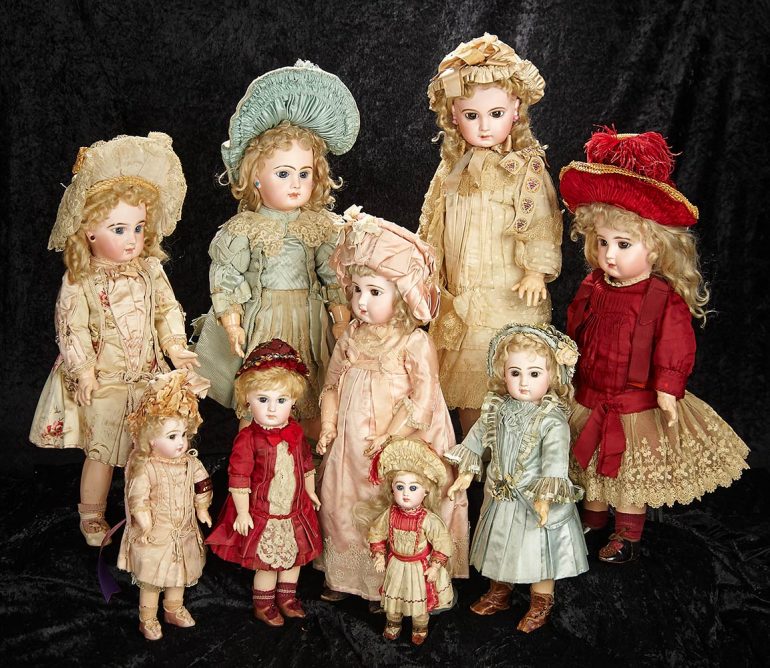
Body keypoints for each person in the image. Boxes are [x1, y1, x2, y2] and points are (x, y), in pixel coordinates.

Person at [561, 127, 749, 563]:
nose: (609, 254)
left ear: (656, 247)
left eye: (623, 244)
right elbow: (577, 331)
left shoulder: (661, 297)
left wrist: (667, 387)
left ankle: (627, 532)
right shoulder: (593, 286)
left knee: (629, 469)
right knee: (590, 460)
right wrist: (566, 366)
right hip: (591, 393)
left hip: (637, 403)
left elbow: (675, 346)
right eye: (602, 242)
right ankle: (593, 517)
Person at [30, 132, 197, 547]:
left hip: (149, 379)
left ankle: (146, 508)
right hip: (106, 379)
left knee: (148, 448)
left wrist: (176, 347)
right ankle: (92, 513)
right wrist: (84, 370)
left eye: (138, 228)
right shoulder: (81, 278)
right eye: (118, 228)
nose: (131, 239)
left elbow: (166, 310)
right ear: (89, 232)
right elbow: (71, 327)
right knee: (102, 451)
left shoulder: (150, 270)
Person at [194, 61, 359, 437]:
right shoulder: (246, 227)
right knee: (262, 388)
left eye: (304, 173)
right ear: (255, 177)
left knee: (313, 388)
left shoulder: (319, 225)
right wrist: (231, 320)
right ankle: (252, 457)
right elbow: (227, 274)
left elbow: (331, 273)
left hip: (310, 317)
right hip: (264, 317)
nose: (296, 184)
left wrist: (340, 315)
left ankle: (312, 460)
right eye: (283, 173)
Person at [314, 206, 469, 610]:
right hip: (352, 439)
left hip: (400, 437)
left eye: (375, 292)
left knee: (392, 499)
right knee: (344, 496)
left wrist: (390, 436)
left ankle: (396, 582)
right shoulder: (351, 335)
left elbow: (423, 398)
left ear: (400, 297)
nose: (361, 302)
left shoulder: (413, 341)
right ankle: (350, 575)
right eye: (356, 290)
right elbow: (331, 384)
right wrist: (328, 425)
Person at [418, 33, 563, 436]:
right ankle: (473, 456)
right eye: (472, 115)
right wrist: (427, 267)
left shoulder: (524, 168)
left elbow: (542, 221)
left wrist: (536, 270)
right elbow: (433, 221)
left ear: (515, 110)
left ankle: (512, 456)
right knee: (466, 383)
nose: (484, 126)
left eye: (496, 114)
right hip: (463, 291)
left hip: (509, 293)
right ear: (453, 115)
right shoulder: (450, 170)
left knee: (510, 376)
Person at [447, 323, 587, 632]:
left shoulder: (552, 420)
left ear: (552, 376)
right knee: (500, 543)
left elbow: (555, 461)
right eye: (515, 373)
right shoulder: (498, 408)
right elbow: (477, 437)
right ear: (502, 373)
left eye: (534, 374)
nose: (524, 382)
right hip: (502, 495)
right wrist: (466, 473)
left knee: (540, 550)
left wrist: (546, 498)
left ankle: (541, 600)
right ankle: (500, 590)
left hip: (535, 498)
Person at [206, 339, 322, 627]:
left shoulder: (295, 431)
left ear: (293, 401)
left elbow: (306, 463)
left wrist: (310, 492)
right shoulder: (248, 438)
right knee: (268, 563)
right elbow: (239, 477)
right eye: (263, 400)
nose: (272, 409)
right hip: (264, 512)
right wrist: (242, 512)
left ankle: (287, 598)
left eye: (281, 401)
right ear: (247, 399)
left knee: (294, 559)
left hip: (294, 509)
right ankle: (264, 603)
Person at [117, 370, 212, 640]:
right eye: (171, 437)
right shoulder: (146, 467)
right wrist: (144, 521)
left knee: (179, 572)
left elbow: (203, 484)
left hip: (183, 531)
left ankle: (173, 608)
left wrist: (202, 508)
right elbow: (138, 497)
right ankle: (147, 617)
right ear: (150, 439)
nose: (181, 443)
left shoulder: (191, 463)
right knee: (152, 577)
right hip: (156, 534)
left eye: (183, 434)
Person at [356, 437, 454, 645]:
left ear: (426, 491)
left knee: (419, 599)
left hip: (419, 567)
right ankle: (393, 623)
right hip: (396, 565)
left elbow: (442, 542)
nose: (405, 494)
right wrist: (379, 555)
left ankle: (420, 626)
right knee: (394, 599)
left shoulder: (428, 519)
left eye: (413, 488)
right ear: (392, 490)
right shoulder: (390, 514)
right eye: (400, 487)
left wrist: (435, 566)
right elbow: (377, 533)